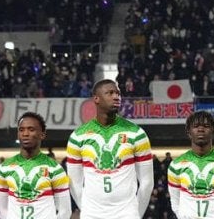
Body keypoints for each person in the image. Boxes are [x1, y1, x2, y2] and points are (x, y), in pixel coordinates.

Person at [66, 79, 154, 219]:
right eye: (110, 93)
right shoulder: (77, 137)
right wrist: (87, 209)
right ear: (96, 99)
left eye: (118, 93)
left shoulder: (137, 134)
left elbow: (147, 182)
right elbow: (74, 183)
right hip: (92, 214)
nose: (116, 97)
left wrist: (136, 213)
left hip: (127, 213)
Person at [0, 112, 71, 219]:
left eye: (31, 129)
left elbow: (65, 210)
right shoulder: (4, 168)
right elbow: (2, 209)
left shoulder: (55, 168)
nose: (25, 134)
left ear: (42, 134)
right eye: (21, 130)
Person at [168, 111, 214, 219]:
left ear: (213, 131)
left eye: (206, 126)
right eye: (196, 126)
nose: (201, 129)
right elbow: (175, 202)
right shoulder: (176, 165)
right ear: (188, 132)